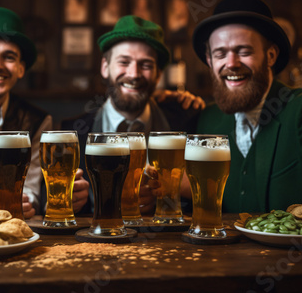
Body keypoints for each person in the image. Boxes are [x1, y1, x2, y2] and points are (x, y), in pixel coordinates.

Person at [190, 0, 302, 226]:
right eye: (220, 54)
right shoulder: (207, 119)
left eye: (243, 51)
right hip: (222, 259)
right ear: (210, 60)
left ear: (271, 55)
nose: (231, 63)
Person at [0, 7, 89, 217]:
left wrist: (53, 200)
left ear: (21, 69)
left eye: (9, 57)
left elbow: (30, 193)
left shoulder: (37, 121)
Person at [61, 15, 203, 213]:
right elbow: (46, 200)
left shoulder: (188, 120)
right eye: (124, 62)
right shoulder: (70, 132)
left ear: (158, 74)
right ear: (105, 67)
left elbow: (204, 194)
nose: (134, 74)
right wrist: (67, 201)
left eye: (145, 64)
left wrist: (165, 195)